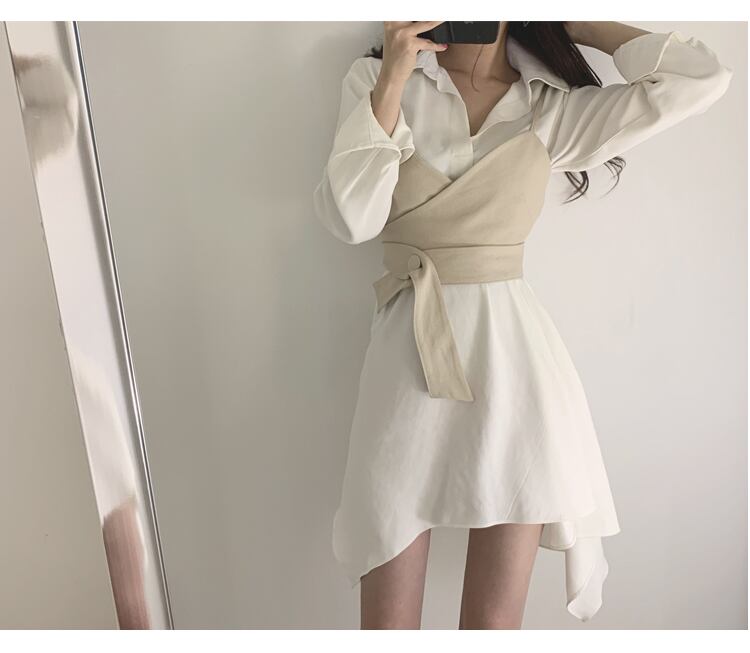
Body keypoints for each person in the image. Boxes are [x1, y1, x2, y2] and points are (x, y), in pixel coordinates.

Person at [312, 21, 733, 629]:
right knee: (386, 626)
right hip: (405, 369)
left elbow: (700, 78)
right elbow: (353, 218)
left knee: (493, 627)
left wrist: (573, 21)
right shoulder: (376, 78)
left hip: (519, 379)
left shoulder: (548, 109)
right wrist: (395, 74)